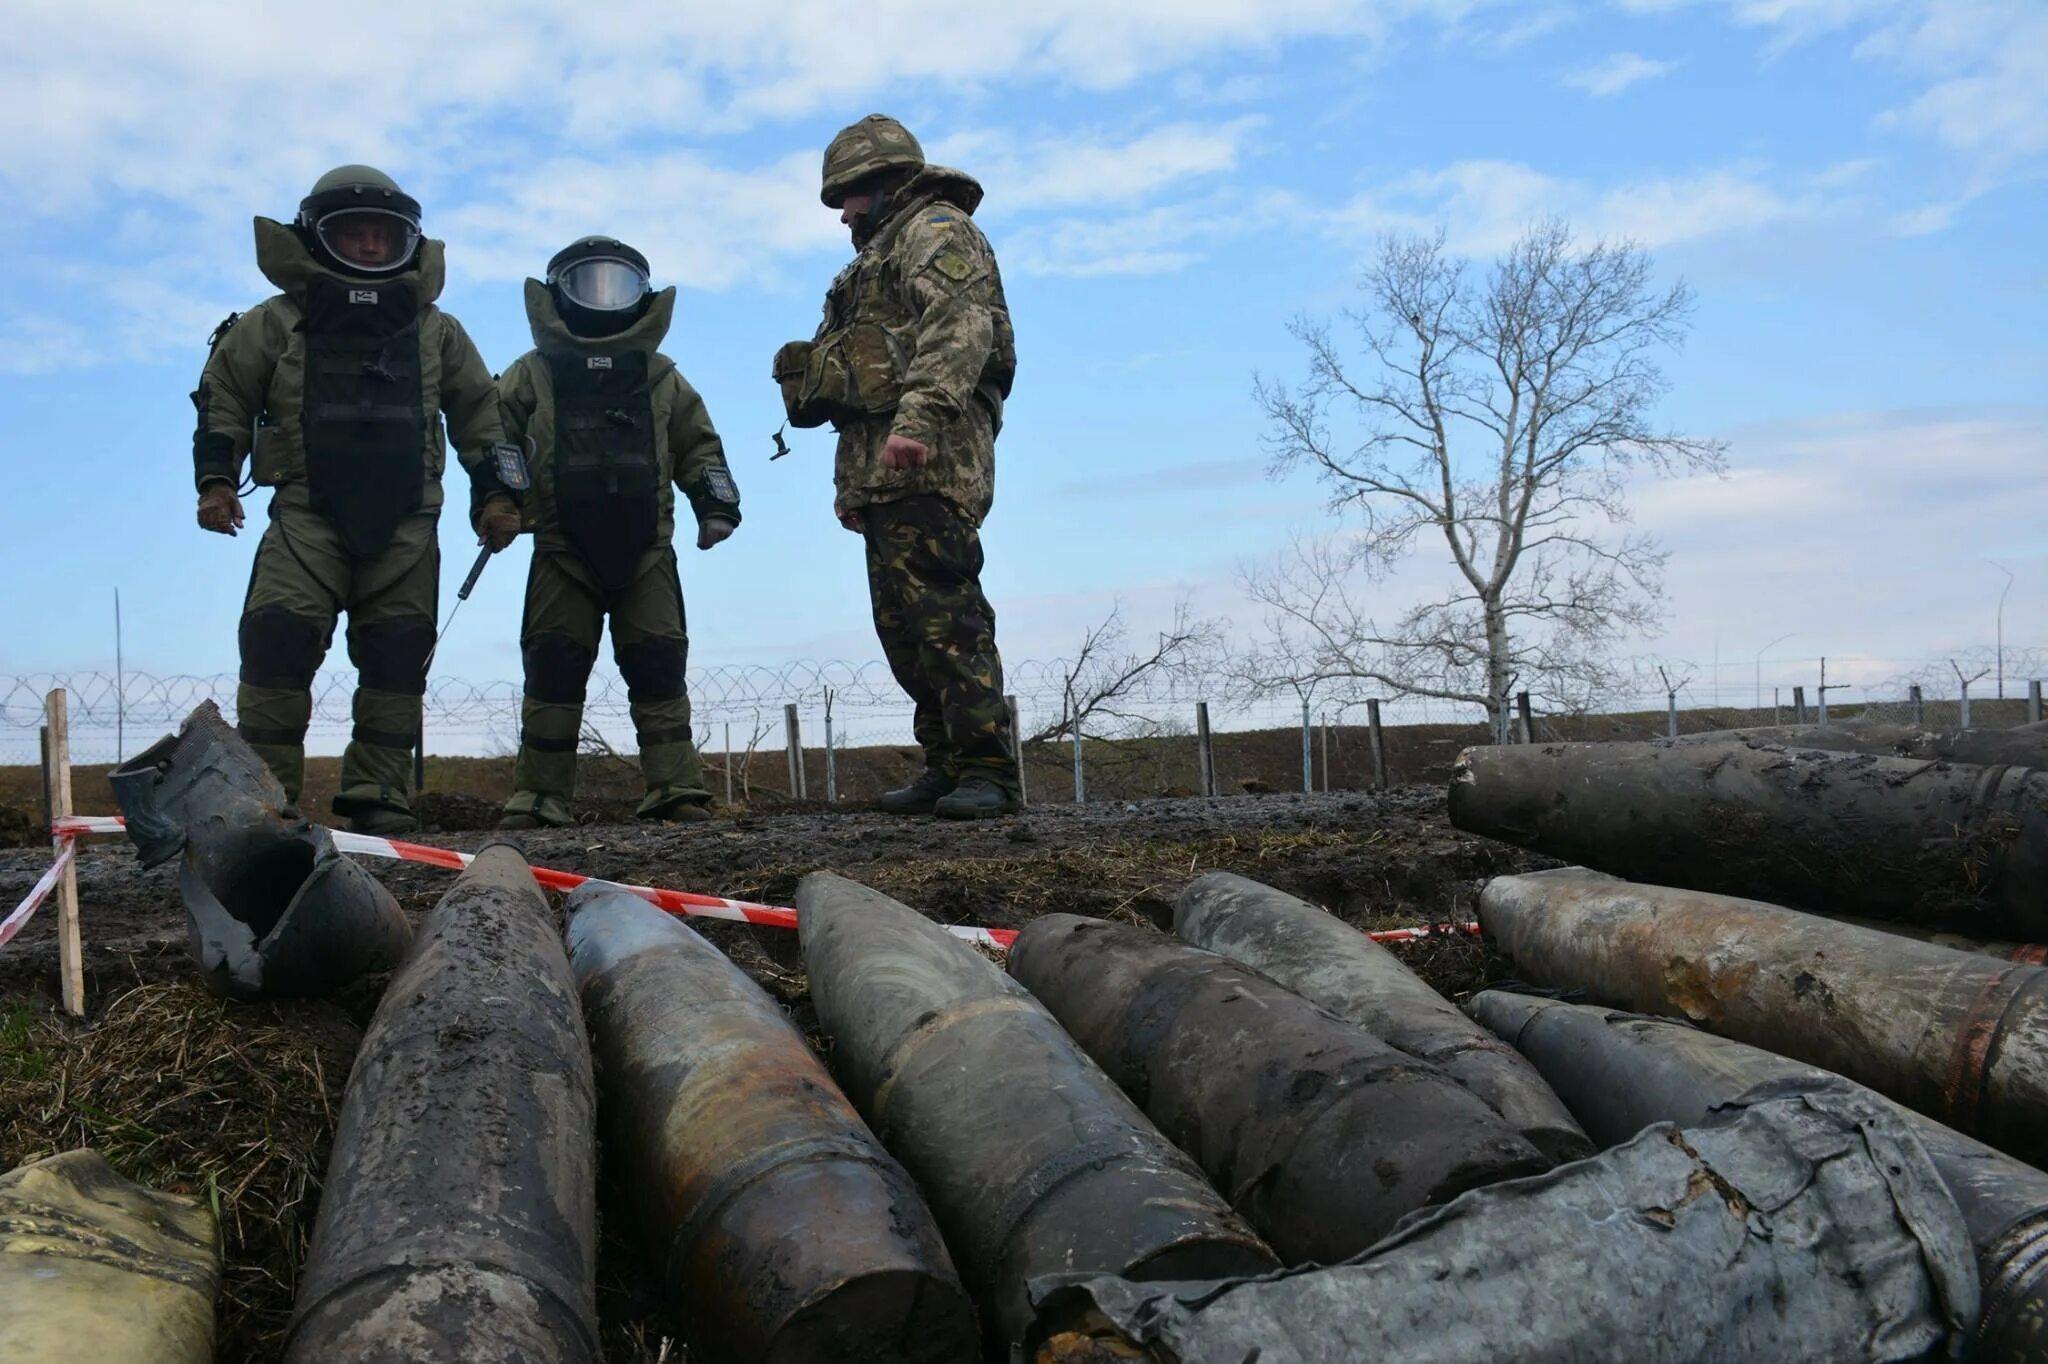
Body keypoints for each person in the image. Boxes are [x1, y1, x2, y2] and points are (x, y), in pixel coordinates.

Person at [191, 165, 520, 834]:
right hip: (305, 518)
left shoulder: (437, 331)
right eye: (354, 234)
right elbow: (224, 396)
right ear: (317, 238)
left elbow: (482, 416)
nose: (370, 247)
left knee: (397, 661)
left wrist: (499, 496)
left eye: (383, 235)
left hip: (406, 526)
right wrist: (217, 481)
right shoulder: (275, 323)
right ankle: (263, 806)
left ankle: (378, 798)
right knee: (276, 645)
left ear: (409, 242)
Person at [773, 113, 1020, 819]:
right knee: (905, 628)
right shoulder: (875, 256)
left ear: (887, 183)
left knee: (945, 612)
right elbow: (858, 378)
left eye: (851, 193)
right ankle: (948, 765)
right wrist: (851, 485)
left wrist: (919, 423)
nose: (843, 211)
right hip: (882, 472)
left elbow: (958, 326)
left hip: (933, 456)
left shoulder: (936, 232)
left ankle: (987, 769)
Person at [495, 237, 741, 829]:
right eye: (589, 284)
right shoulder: (531, 375)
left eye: (618, 285)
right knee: (553, 666)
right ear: (560, 295)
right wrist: (498, 503)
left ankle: (677, 789)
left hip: (647, 550)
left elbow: (699, 446)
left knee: (658, 662)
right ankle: (539, 796)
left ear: (642, 297)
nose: (604, 298)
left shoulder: (660, 378)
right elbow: (494, 443)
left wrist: (717, 507)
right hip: (559, 548)